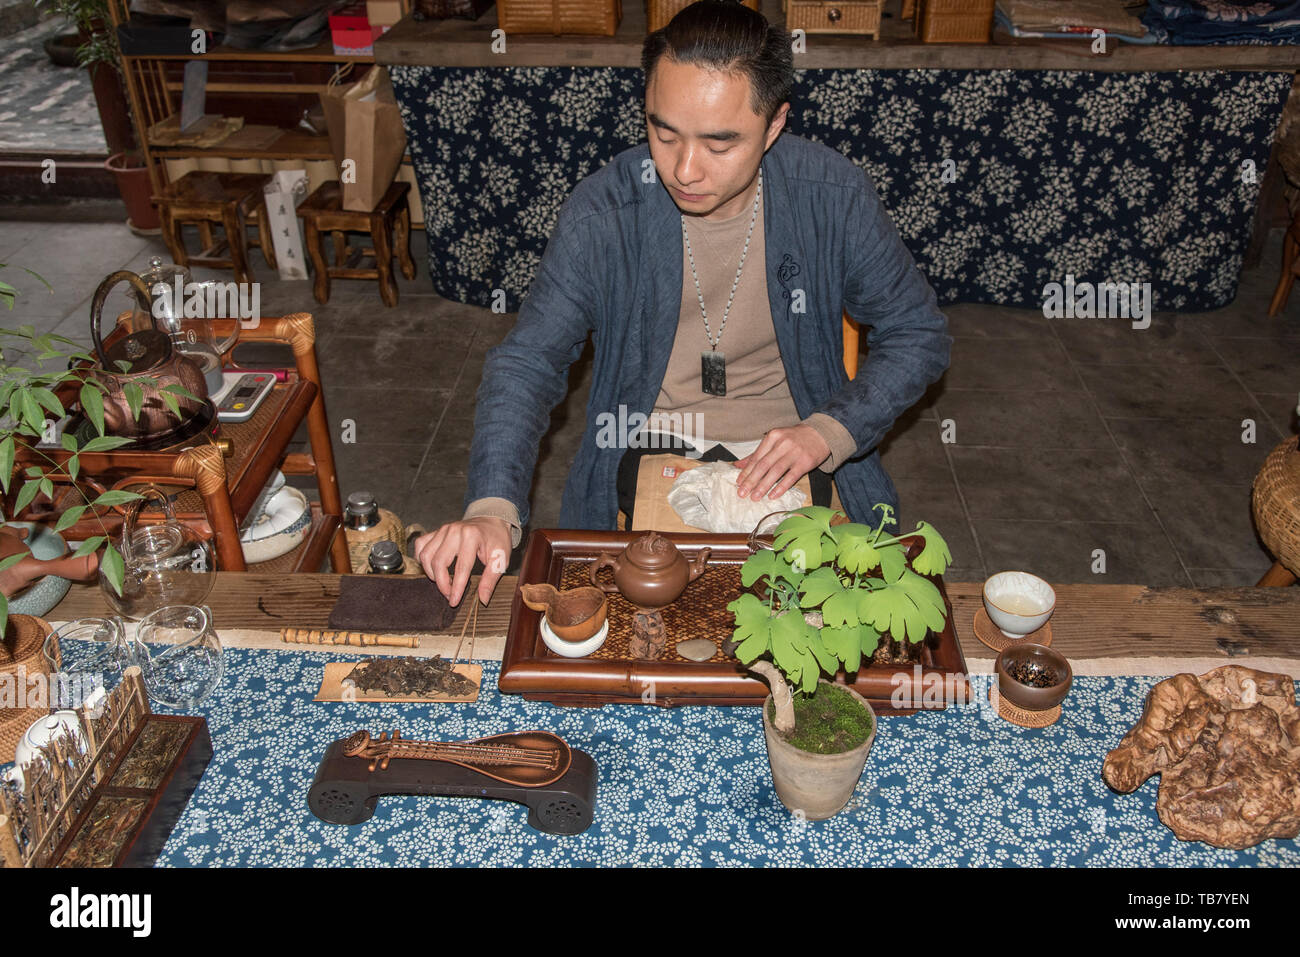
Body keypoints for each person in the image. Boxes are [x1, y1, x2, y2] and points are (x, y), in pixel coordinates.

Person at [415, 0, 951, 606]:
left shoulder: (830, 196)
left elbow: (918, 334)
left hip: (794, 444)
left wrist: (829, 431)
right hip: (652, 445)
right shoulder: (604, 214)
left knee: (816, 627)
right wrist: (491, 507)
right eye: (663, 133)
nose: (684, 170)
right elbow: (528, 362)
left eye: (719, 144)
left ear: (775, 126)